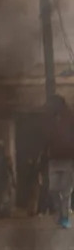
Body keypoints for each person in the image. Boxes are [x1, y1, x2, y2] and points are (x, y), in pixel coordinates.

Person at [47, 96, 74, 228]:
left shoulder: (70, 117)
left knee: (66, 192)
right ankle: (61, 213)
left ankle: (64, 217)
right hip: (54, 159)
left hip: (68, 159)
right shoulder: (51, 119)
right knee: (53, 189)